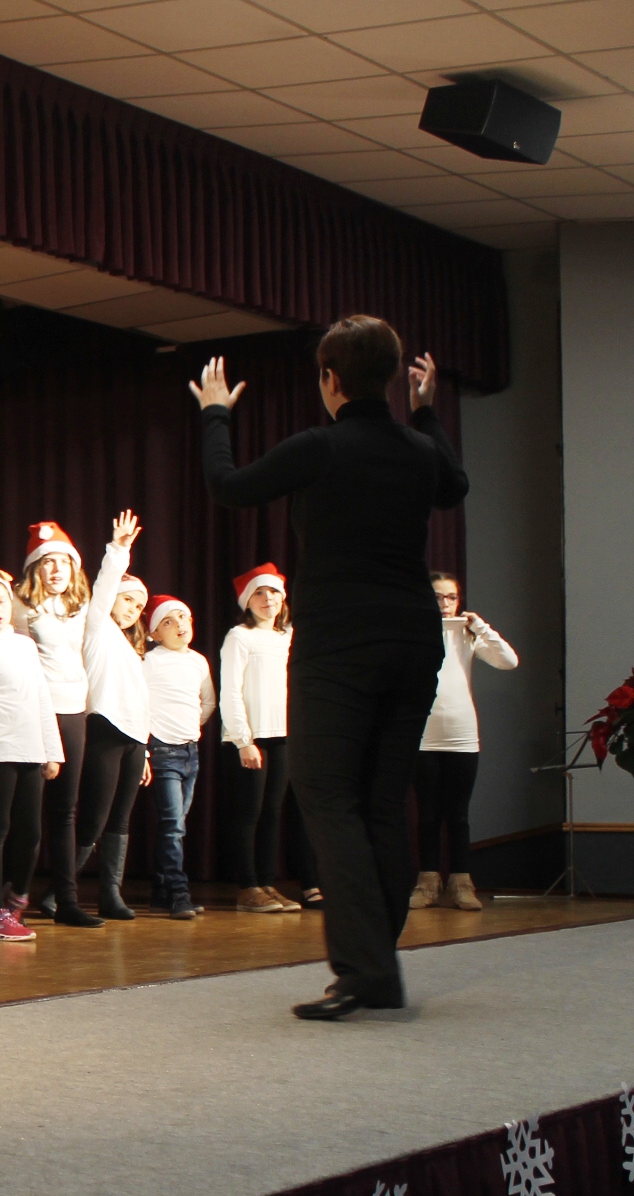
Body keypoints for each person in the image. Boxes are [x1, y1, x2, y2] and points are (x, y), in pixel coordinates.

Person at [195, 315, 468, 1019]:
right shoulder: (416, 448)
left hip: (341, 649)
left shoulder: (320, 446)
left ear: (330, 380)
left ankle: (366, 970)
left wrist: (218, 415)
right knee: (381, 803)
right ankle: (376, 960)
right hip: (412, 643)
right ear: (389, 377)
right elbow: (454, 483)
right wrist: (429, 411)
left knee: (329, 801)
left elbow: (229, 485)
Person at [0, 566, 63, 942]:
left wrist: (52, 751)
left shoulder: (24, 645)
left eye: (1, 600)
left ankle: (15, 901)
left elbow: (41, 699)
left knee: (31, 833)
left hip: (30, 752)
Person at [13, 522, 103, 929]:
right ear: (35, 569)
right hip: (35, 714)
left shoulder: (80, 609)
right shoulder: (22, 606)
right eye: (47, 562)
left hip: (72, 714)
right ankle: (11, 899)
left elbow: (105, 592)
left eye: (63, 562)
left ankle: (66, 900)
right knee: (28, 813)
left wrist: (118, 550)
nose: (56, 570)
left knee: (64, 812)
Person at [411, 572, 518, 911]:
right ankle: (427, 882)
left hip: (461, 734)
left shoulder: (468, 634)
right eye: (438, 597)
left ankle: (461, 883)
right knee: (428, 814)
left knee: (457, 814)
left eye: (451, 597)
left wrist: (482, 629)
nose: (445, 604)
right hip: (423, 735)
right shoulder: (413, 630)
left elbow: (509, 661)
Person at [77, 511, 153, 921]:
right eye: (129, 599)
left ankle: (111, 892)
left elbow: (141, 701)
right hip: (105, 728)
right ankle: (61, 890)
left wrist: (147, 754)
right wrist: (119, 549)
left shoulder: (131, 648)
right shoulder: (96, 626)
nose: (133, 609)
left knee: (120, 818)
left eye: (139, 605)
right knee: (94, 814)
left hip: (135, 738)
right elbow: (104, 590)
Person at [218, 563, 302, 915]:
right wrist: (243, 739)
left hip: (283, 735)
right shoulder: (240, 637)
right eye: (259, 593)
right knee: (249, 813)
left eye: (274, 592)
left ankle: (268, 883)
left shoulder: (290, 637)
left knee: (272, 812)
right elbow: (231, 691)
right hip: (250, 738)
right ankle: (248, 886)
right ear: (247, 602)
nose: (268, 599)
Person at [141, 595, 216, 921]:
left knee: (176, 826)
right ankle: (179, 892)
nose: (179, 625)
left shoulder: (199, 661)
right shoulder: (149, 661)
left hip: (190, 751)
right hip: (163, 751)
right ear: (154, 634)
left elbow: (209, 702)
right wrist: (149, 743)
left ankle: (161, 890)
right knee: (173, 826)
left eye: (183, 617)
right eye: (168, 622)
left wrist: (190, 727)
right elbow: (138, 705)